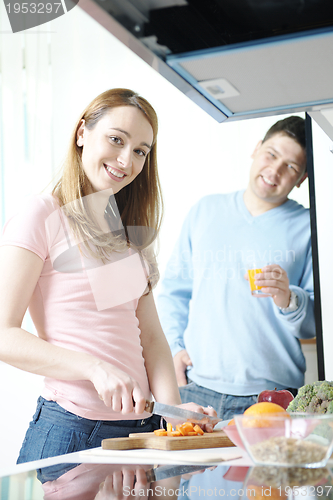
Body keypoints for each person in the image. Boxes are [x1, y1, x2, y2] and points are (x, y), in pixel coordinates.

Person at [0, 88, 216, 464]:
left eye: (140, 151)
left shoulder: (127, 235)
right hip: (72, 431)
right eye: (116, 139)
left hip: (143, 432)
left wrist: (174, 412)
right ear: (82, 133)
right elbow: (3, 334)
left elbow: (150, 337)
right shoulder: (42, 215)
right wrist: (94, 368)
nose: (125, 159)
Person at [157, 116, 315, 420]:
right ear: (256, 149)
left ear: (302, 178)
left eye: (291, 167)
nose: (275, 170)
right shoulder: (205, 210)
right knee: (186, 469)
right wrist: (174, 348)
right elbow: (173, 293)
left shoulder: (310, 227)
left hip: (272, 396)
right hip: (196, 387)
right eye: (271, 154)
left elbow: (316, 322)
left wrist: (289, 298)